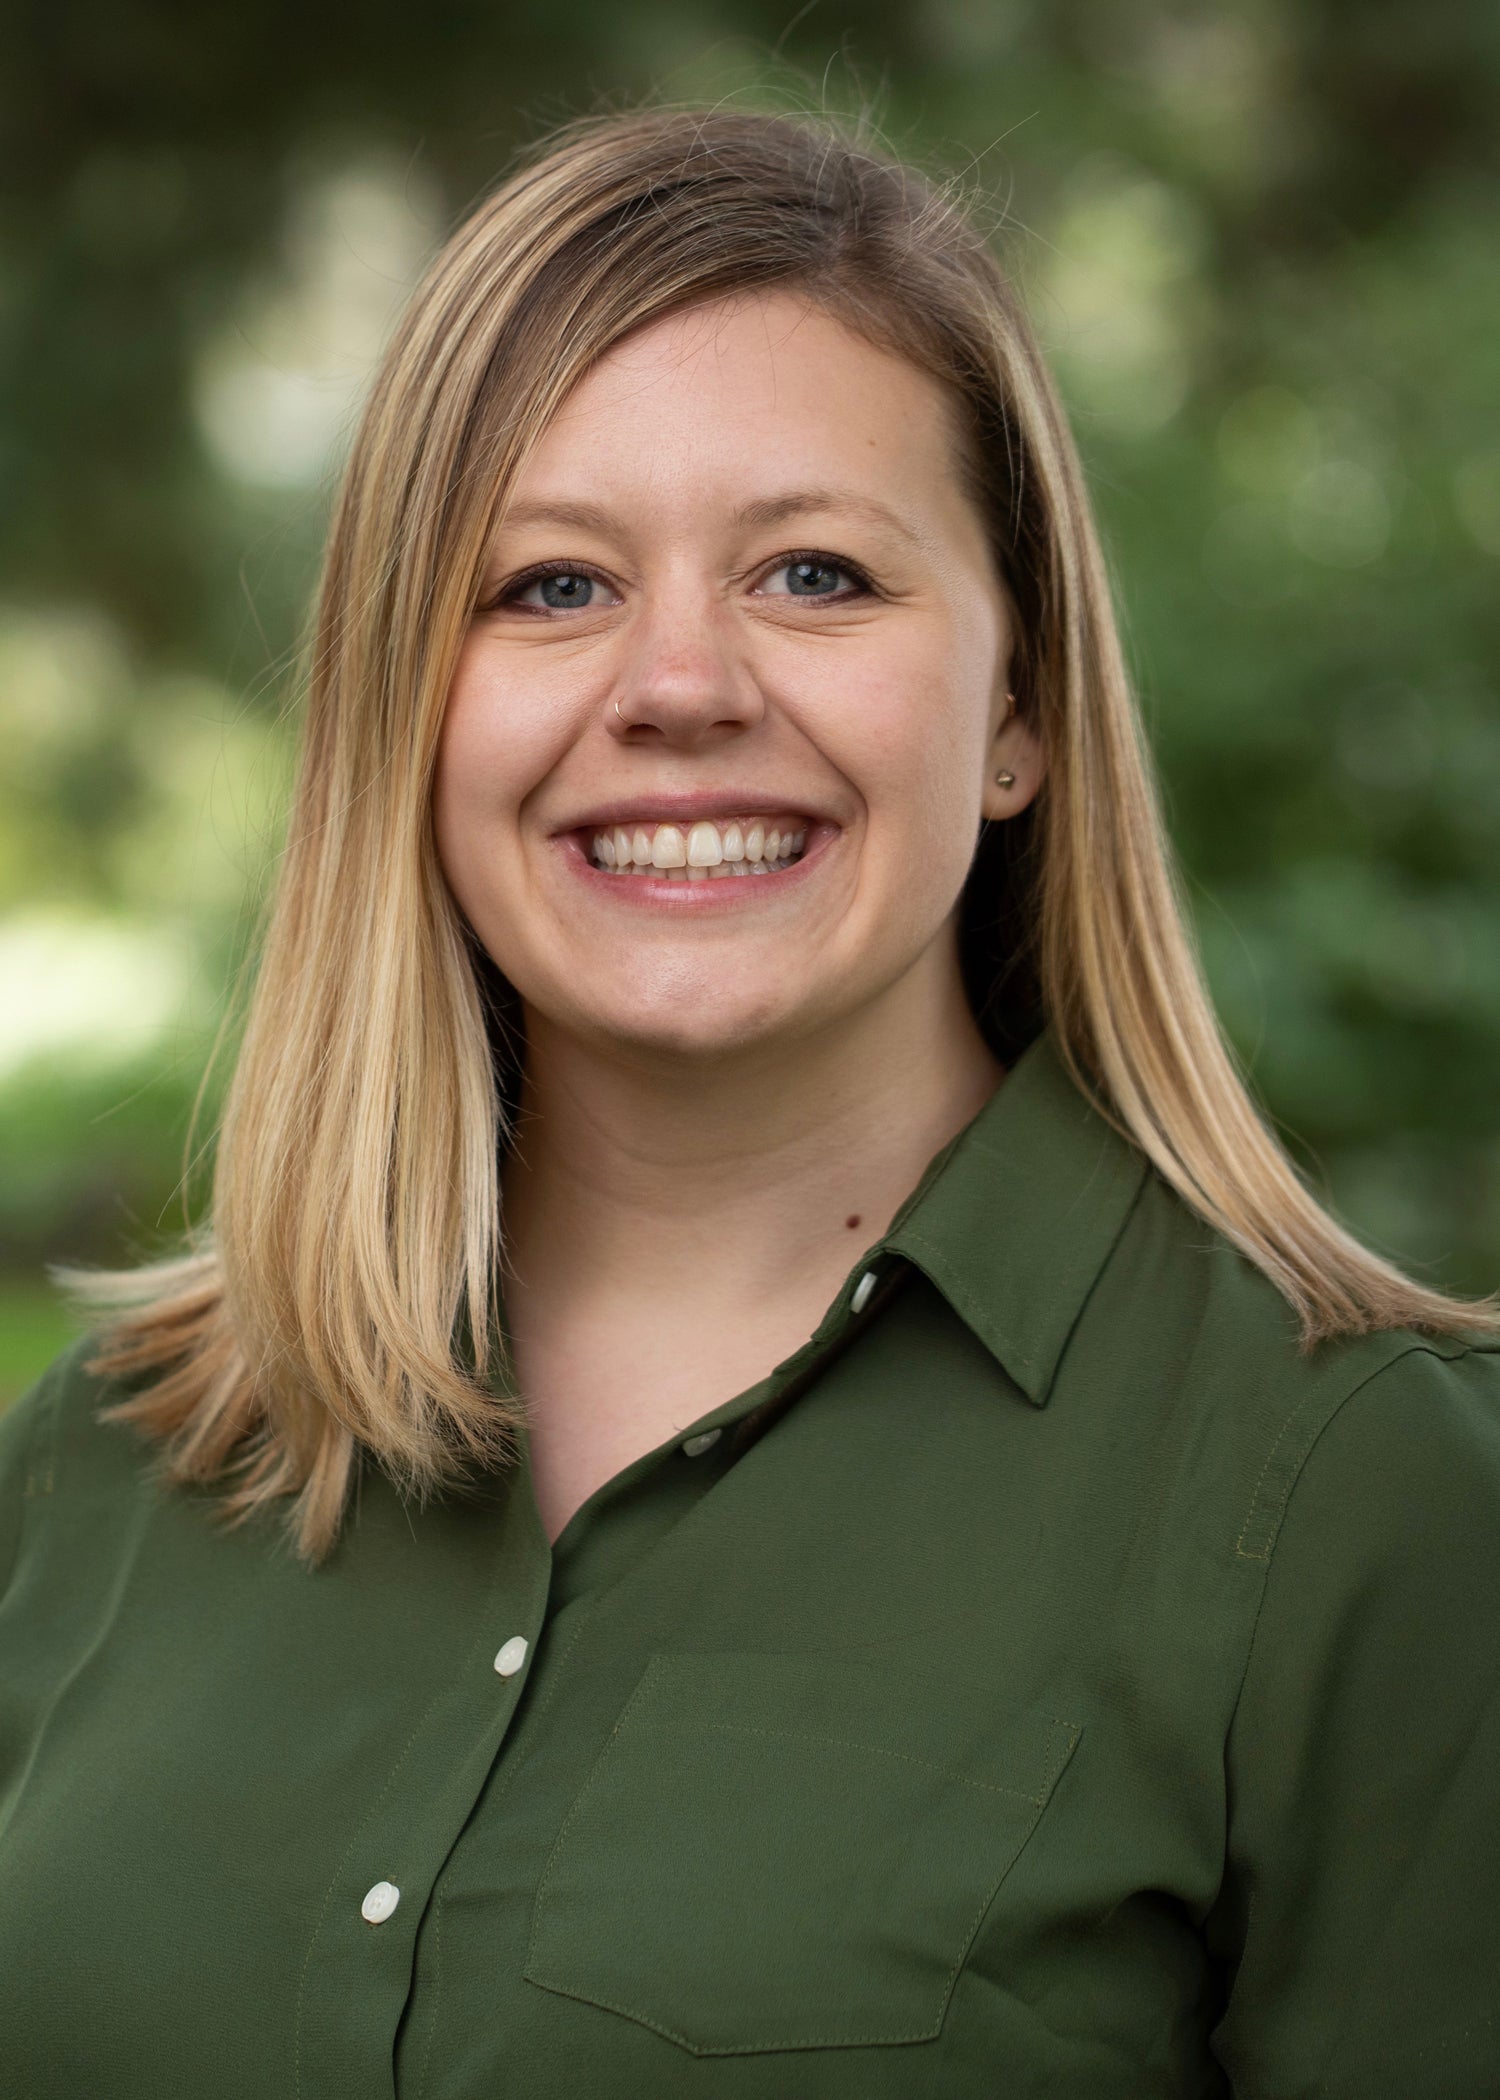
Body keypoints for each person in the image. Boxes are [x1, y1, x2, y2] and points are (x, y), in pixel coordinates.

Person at [2, 102, 1497, 2099]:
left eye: (812, 573)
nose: (679, 684)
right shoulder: (106, 1463)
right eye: (547, 589)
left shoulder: (1357, 1507)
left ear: (1022, 709)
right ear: (404, 708)